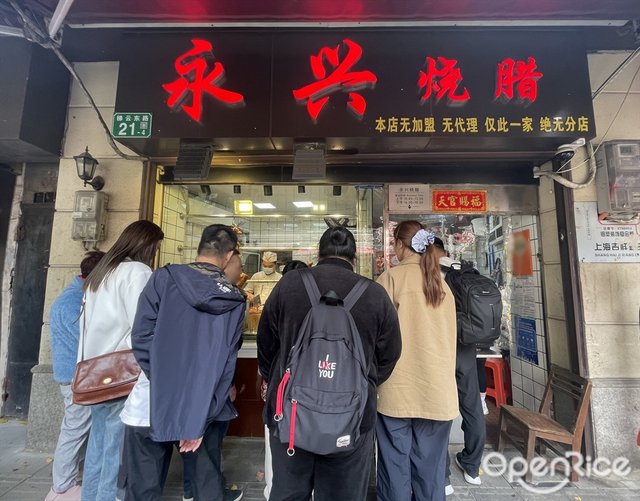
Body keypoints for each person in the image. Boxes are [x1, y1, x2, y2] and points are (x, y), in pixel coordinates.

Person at [258, 227, 402, 501]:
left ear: (318, 253)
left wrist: (276, 378)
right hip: (352, 419)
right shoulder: (374, 294)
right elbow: (390, 354)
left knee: (288, 493)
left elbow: (265, 344)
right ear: (354, 259)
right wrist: (362, 382)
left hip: (290, 414)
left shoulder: (289, 285)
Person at [121, 224, 246, 501]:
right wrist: (200, 410)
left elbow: (141, 336)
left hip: (149, 404)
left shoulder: (163, 278)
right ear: (229, 256)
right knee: (206, 487)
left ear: (199, 247)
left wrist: (165, 382)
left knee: (142, 491)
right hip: (203, 409)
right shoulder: (234, 299)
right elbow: (226, 363)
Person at [79, 220, 164, 501]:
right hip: (123, 373)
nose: (155, 253)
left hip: (95, 372)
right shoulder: (137, 272)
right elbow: (142, 326)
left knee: (98, 444)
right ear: (146, 245)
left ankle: (90, 497)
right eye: (155, 248)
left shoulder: (102, 272)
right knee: (116, 450)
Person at [376, 221, 458, 501]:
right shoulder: (442, 284)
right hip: (438, 391)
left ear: (400, 245)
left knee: (394, 467)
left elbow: (377, 336)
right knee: (430, 472)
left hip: (396, 391)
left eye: (394, 244)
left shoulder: (390, 279)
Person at [45, 251, 104, 501]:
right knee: (74, 430)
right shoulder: (73, 302)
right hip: (76, 377)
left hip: (75, 375)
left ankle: (69, 482)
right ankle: (62, 487)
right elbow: (87, 341)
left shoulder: (76, 296)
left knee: (77, 429)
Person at [432, 237, 486, 495]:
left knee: (439, 410)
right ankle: (472, 467)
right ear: (446, 250)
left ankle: (443, 477)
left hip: (441, 345)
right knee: (472, 406)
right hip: (466, 346)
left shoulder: (432, 273)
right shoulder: (465, 270)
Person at [260, 259, 308, 500]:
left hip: (280, 388)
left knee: (277, 443)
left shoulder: (280, 299)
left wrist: (267, 376)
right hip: (307, 392)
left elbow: (265, 342)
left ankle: (272, 488)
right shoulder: (312, 303)